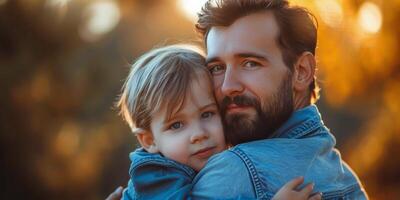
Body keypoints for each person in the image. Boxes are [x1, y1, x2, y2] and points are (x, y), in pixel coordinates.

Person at [109, 0, 369, 199]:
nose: (228, 86)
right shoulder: (347, 178)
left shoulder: (237, 170)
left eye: (250, 63)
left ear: (301, 71)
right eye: (217, 68)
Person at [113, 44, 321, 200]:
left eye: (207, 114)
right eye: (176, 125)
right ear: (149, 140)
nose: (199, 134)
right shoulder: (156, 177)